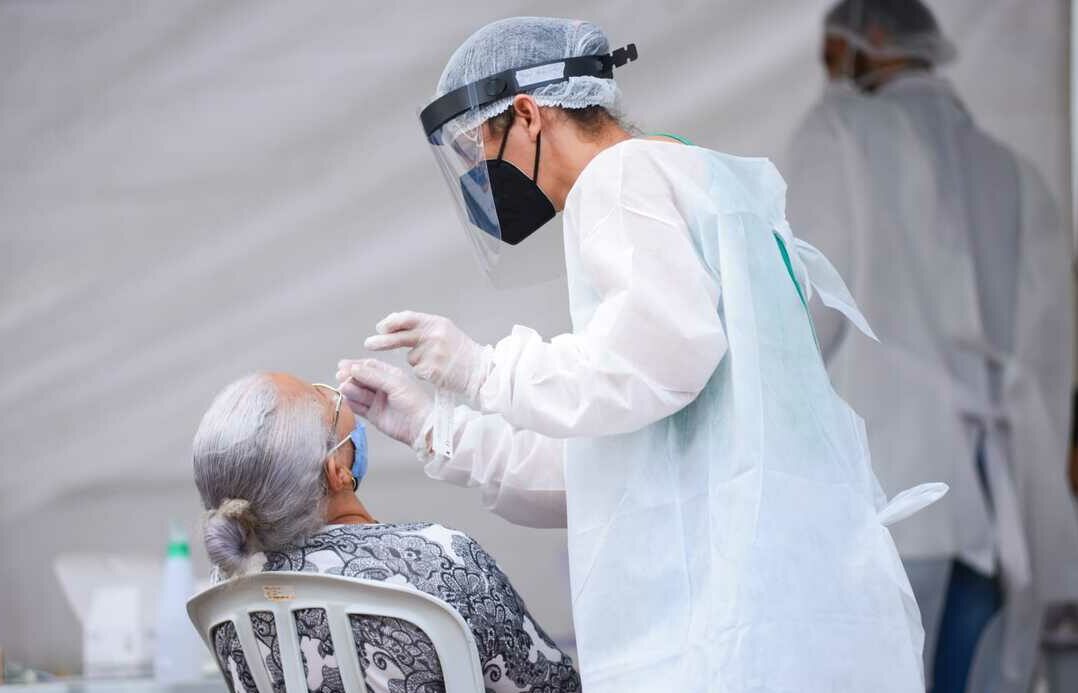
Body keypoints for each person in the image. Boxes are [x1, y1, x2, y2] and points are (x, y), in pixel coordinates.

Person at [337, 16, 946, 692]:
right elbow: (615, 465)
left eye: (478, 145)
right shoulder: (697, 180)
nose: (481, 171)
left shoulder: (619, 181)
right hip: (778, 602)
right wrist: (436, 428)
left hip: (728, 626)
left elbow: (659, 363)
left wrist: (482, 371)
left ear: (529, 115)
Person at [782, 1, 1078, 691]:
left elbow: (800, 316)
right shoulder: (1015, 173)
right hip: (997, 499)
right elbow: (1049, 355)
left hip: (886, 495)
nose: (831, 75)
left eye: (832, 57)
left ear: (872, 40)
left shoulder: (842, 132)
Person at [191, 372, 580, 693]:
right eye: (324, 398)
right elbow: (553, 686)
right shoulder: (438, 560)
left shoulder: (231, 585)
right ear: (336, 470)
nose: (334, 393)